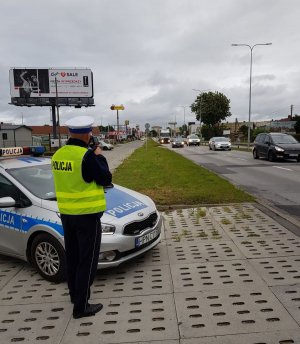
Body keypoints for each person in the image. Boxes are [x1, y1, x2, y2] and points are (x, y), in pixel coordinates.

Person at [52, 115, 112, 319]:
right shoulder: (86, 156)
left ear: (70, 133)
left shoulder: (58, 155)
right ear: (88, 134)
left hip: (67, 215)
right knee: (87, 261)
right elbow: (105, 177)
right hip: (87, 217)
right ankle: (81, 306)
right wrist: (100, 156)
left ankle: (74, 294)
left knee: (73, 257)